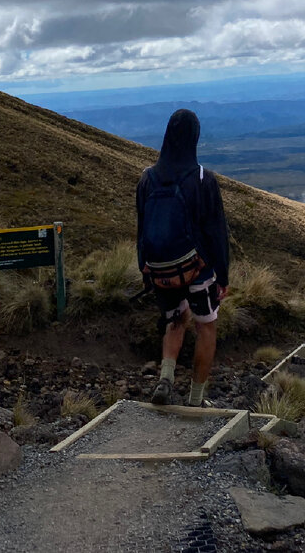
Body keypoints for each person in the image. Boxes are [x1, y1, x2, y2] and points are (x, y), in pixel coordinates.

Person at [136, 108, 229, 406]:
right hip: (197, 269)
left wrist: (145, 269)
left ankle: (165, 379)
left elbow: (141, 228)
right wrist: (222, 277)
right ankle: (196, 398)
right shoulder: (203, 179)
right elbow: (216, 232)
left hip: (161, 269)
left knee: (176, 320)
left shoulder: (147, 178)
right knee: (206, 327)